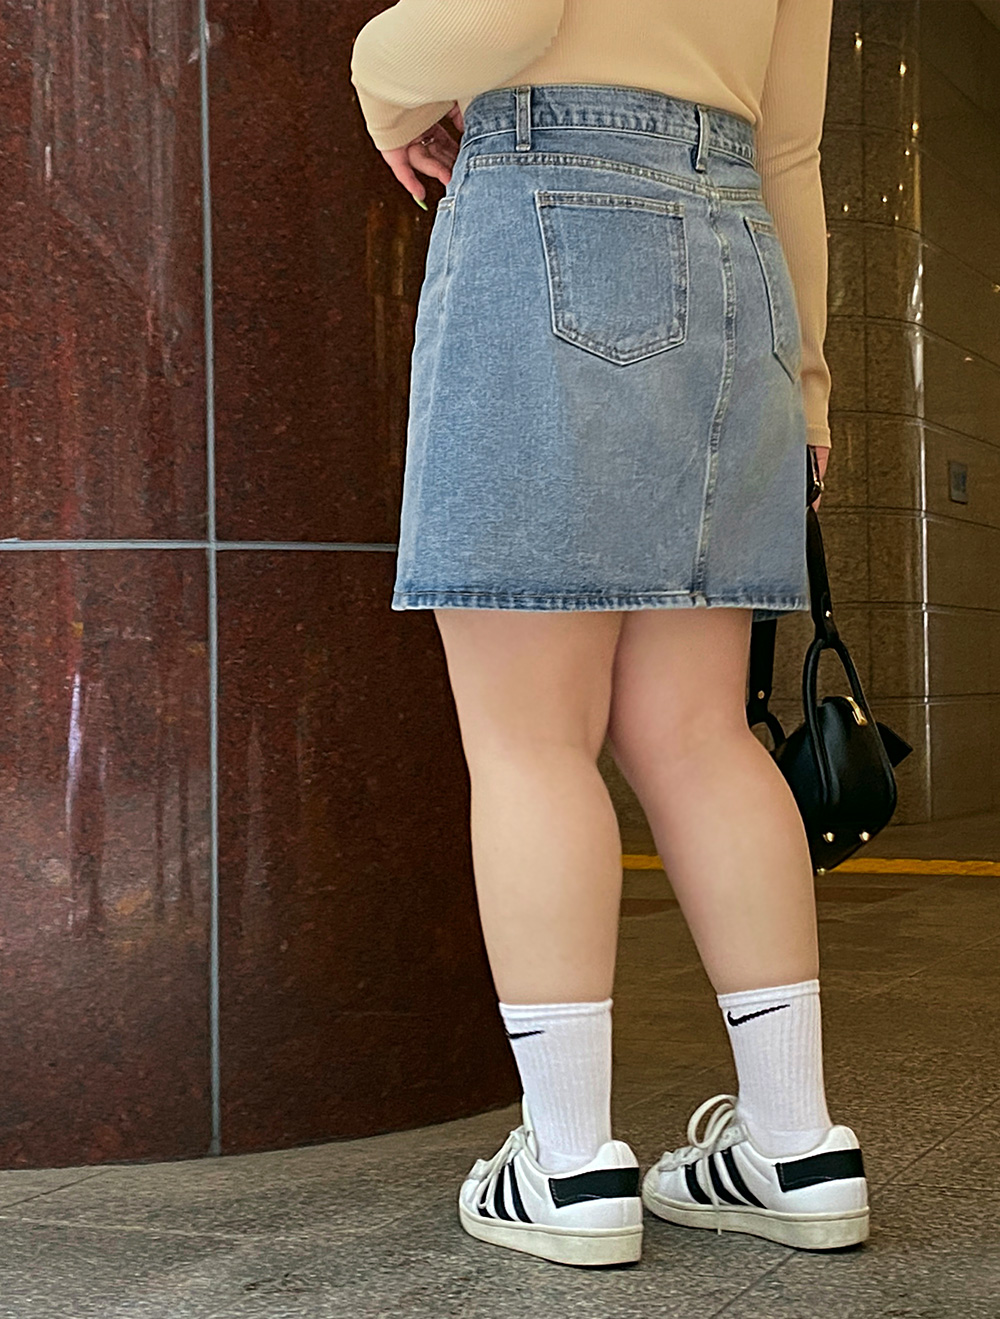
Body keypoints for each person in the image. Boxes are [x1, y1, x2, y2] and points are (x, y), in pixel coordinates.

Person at [350, 0, 869, 1269]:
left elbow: (503, 12)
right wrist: (807, 384)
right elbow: (790, 144)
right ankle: (796, 1144)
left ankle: (572, 1160)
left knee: (532, 741)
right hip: (740, 247)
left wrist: (380, 79)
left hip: (551, 207)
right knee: (698, 736)